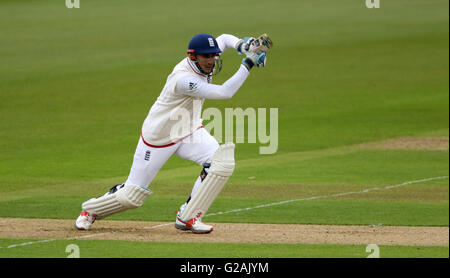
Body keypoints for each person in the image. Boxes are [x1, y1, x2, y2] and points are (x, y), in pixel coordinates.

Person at [75, 33, 272, 234]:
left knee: (221, 162)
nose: (211, 61)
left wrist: (242, 45)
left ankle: (188, 216)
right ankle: (90, 211)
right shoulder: (183, 79)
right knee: (131, 197)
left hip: (189, 130)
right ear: (193, 57)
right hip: (159, 137)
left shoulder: (206, 59)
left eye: (214, 56)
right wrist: (248, 62)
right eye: (206, 57)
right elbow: (224, 93)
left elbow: (223, 38)